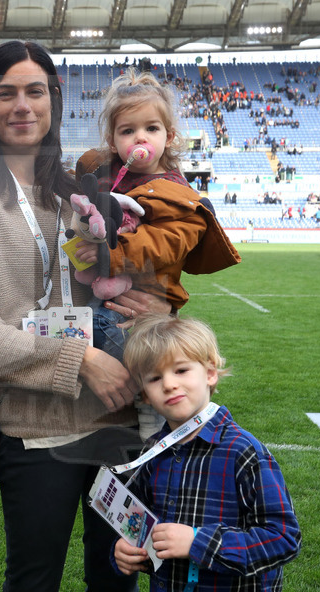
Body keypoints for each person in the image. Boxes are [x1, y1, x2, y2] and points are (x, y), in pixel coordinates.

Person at [0, 40, 171, 592]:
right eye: (6, 93)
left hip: (117, 425)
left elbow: (121, 278)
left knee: (117, 580)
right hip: (35, 429)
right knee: (33, 579)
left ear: (54, 103)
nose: (23, 105)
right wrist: (80, 358)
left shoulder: (79, 193)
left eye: (35, 91)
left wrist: (156, 306)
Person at [73, 70, 241, 439]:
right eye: (127, 131)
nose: (140, 139)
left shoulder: (179, 194)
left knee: (140, 352)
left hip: (151, 298)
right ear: (112, 139)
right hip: (109, 293)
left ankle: (151, 413)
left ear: (170, 136)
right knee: (102, 330)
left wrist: (111, 255)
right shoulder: (106, 174)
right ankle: (122, 404)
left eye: (151, 128)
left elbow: (168, 244)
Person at [112, 314, 302, 591]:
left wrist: (197, 542)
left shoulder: (243, 452)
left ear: (210, 373)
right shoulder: (152, 452)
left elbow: (283, 539)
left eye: (181, 370)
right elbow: (138, 523)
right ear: (144, 394)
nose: (169, 384)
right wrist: (126, 549)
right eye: (154, 378)